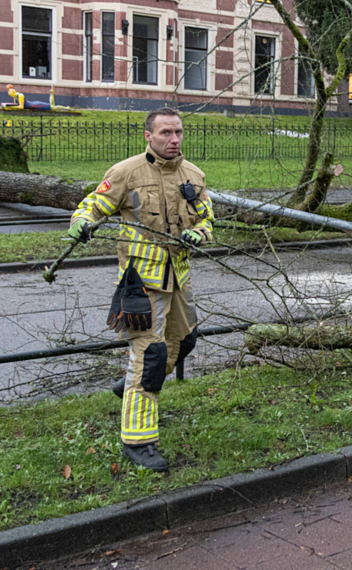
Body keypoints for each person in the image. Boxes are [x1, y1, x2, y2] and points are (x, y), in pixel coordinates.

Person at [68, 108, 214, 472]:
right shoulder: (126, 172)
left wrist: (201, 233)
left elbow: (208, 217)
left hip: (179, 277)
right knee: (149, 357)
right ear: (148, 136)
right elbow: (92, 206)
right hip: (141, 282)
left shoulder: (193, 175)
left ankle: (128, 387)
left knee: (186, 341)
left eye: (178, 132)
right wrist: (82, 223)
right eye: (166, 132)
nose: (174, 139)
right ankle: (138, 440)